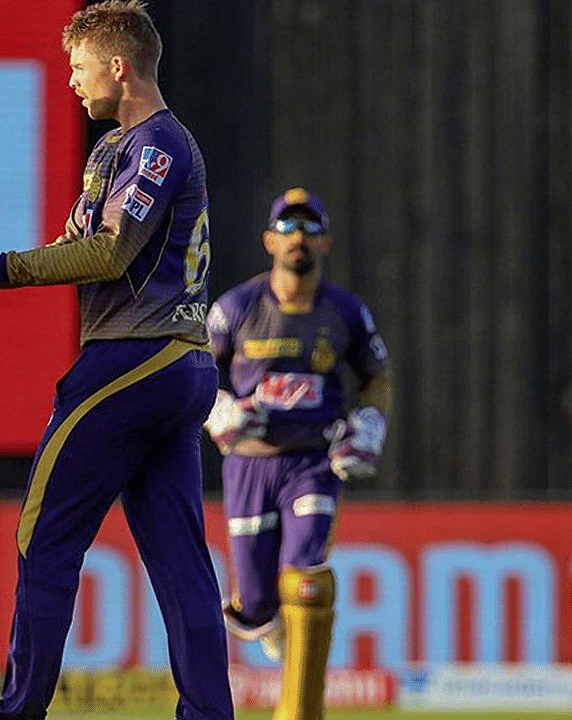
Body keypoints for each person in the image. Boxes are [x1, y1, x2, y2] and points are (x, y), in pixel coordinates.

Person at [0, 3, 235, 720]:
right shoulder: (117, 149)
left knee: (43, 536)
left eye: (79, 68)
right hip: (176, 368)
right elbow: (79, 247)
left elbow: (107, 252)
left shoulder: (155, 146)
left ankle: (17, 713)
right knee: (179, 562)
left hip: (131, 363)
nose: (72, 83)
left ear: (118, 64)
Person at [203, 187, 390, 720]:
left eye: (309, 228)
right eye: (288, 228)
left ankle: (300, 712)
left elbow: (377, 377)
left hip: (313, 462)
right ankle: (270, 622)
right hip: (249, 463)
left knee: (306, 573)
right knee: (257, 603)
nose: (298, 238)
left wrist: (370, 424)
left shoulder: (345, 311)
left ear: (325, 241)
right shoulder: (236, 308)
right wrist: (218, 408)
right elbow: (196, 368)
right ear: (268, 241)